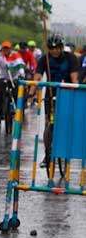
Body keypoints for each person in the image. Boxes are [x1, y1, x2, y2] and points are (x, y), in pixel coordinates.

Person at [28, 33, 81, 167]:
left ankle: (66, 145)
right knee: (49, 124)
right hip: (50, 94)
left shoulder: (71, 58)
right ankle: (48, 155)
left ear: (62, 47)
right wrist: (31, 93)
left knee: (66, 121)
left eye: (58, 47)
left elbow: (75, 78)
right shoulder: (44, 59)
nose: (55, 50)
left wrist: (75, 89)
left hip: (67, 93)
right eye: (52, 48)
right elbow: (37, 77)